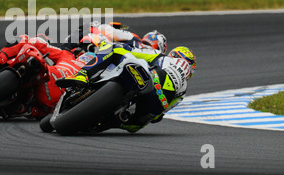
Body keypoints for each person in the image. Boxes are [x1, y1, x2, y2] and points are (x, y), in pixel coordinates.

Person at [56, 43, 197, 133]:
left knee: (113, 48)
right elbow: (158, 117)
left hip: (147, 78)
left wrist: (126, 48)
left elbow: (134, 52)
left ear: (174, 55)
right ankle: (115, 119)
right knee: (127, 123)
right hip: (148, 110)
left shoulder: (163, 58)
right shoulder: (183, 90)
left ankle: (83, 74)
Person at [0, 34, 87, 119]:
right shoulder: (70, 58)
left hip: (51, 94)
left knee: (27, 40)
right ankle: (22, 108)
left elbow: (38, 44)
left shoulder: (66, 55)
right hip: (49, 105)